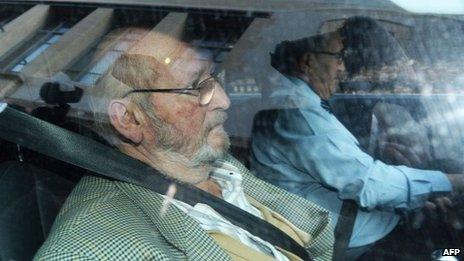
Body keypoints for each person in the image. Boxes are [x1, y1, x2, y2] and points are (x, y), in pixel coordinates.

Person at [34, 27, 335, 261]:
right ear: (130, 120)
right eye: (195, 87)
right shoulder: (91, 246)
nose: (223, 100)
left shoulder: (209, 162)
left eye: (212, 78)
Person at [249, 22, 464, 259]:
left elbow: (344, 166)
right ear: (308, 62)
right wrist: (450, 181)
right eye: (338, 57)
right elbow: (370, 185)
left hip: (344, 221)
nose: (343, 68)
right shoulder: (299, 114)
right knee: (449, 247)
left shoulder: (298, 101)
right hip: (351, 239)